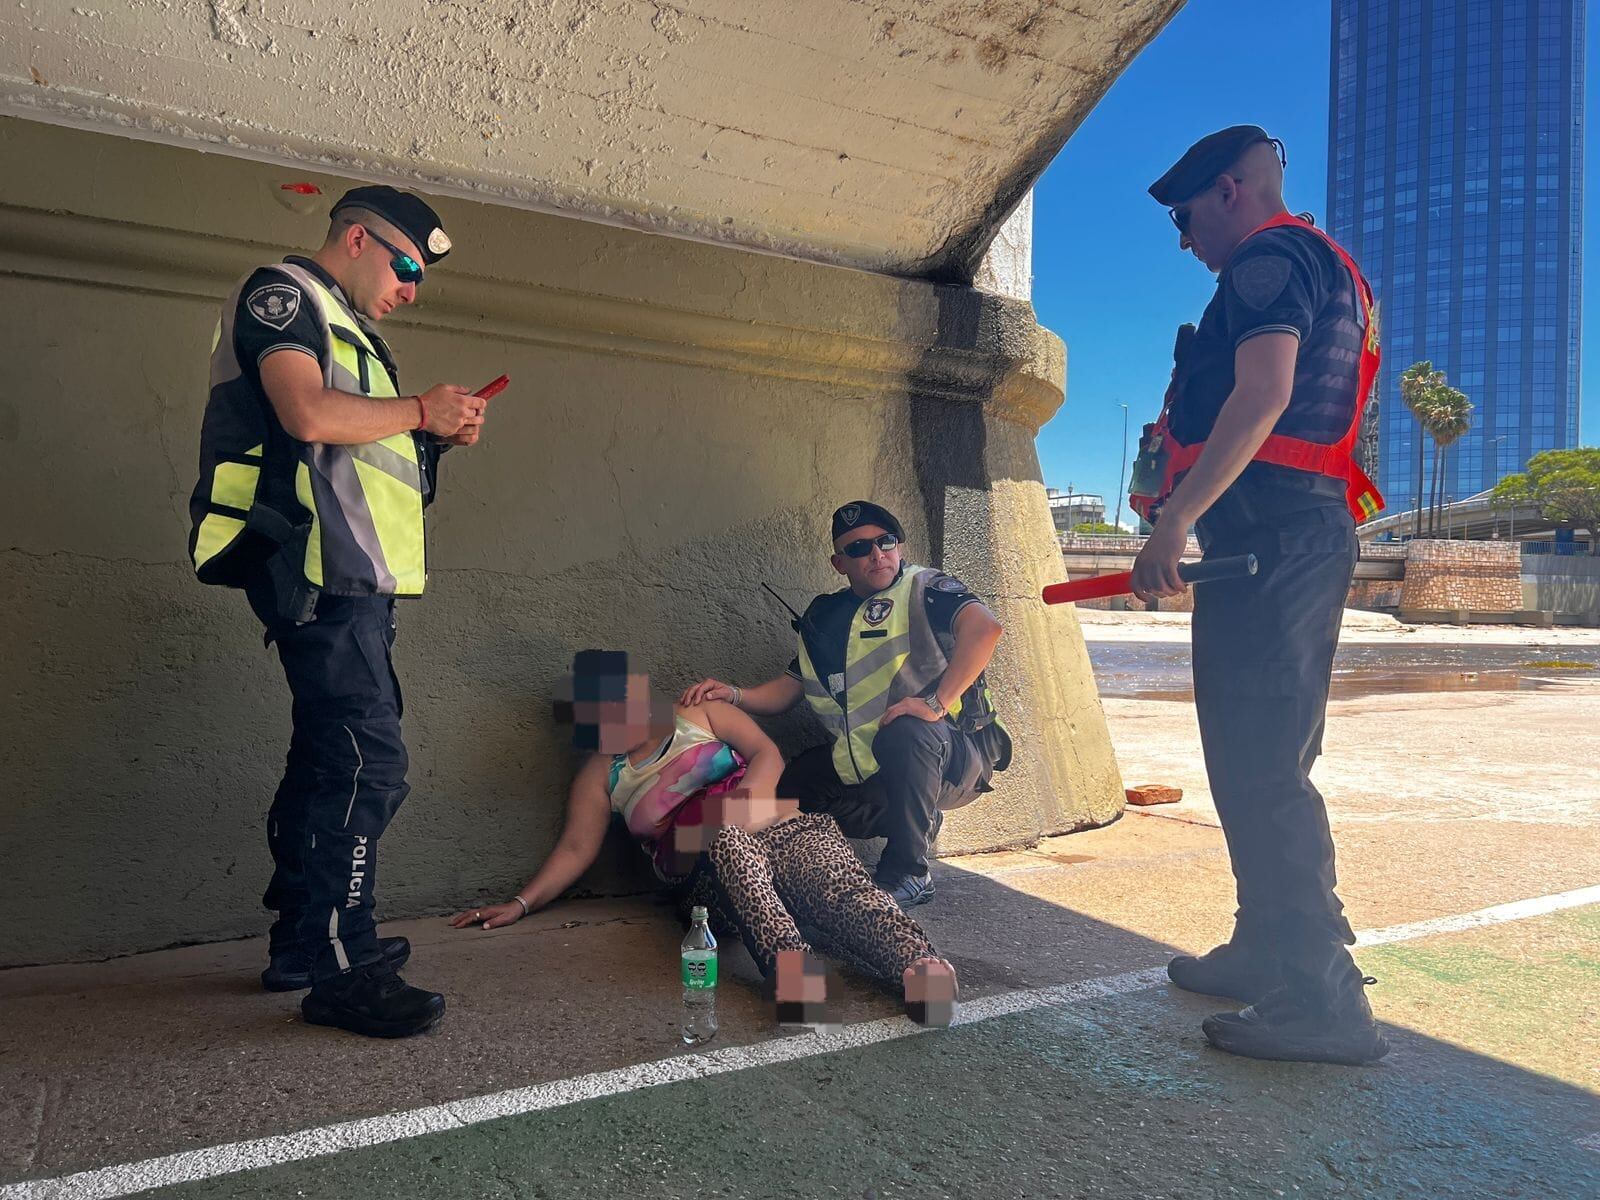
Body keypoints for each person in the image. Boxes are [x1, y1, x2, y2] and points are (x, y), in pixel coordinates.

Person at [188, 185, 495, 1038]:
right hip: (315, 574)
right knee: (369, 766)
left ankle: (304, 942)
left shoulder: (356, 335)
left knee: (330, 759)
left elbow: (353, 465)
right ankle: (339, 963)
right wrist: (418, 412)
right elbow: (306, 413)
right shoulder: (283, 296)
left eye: (420, 278)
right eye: (404, 266)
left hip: (354, 582)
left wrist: (429, 437)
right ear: (356, 239)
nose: (411, 287)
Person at [1131, 125, 1388, 1064]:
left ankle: (1325, 1000)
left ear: (1233, 190)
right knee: (1251, 757)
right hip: (1282, 537)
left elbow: (1264, 393)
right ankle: (1263, 946)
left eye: (1187, 215)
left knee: (1267, 767)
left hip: (1274, 536)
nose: (1185, 237)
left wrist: (1173, 522)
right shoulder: (1322, 263)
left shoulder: (1269, 262)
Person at [449, 651, 957, 1027]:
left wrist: (742, 809)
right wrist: (521, 902)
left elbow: (768, 756)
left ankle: (921, 968)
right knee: (724, 839)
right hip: (704, 878)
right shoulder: (602, 776)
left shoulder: (700, 715)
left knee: (836, 887)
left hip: (778, 826)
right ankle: (795, 974)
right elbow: (576, 849)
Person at [681, 501, 1012, 909]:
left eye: (885, 542)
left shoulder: (926, 587)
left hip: (954, 756)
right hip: (871, 762)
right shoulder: (825, 616)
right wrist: (732, 694)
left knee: (909, 730)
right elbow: (788, 690)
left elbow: (985, 629)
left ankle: (909, 871)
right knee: (791, 788)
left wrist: (935, 702)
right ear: (839, 562)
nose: (876, 553)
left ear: (899, 547)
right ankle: (893, 830)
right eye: (859, 548)